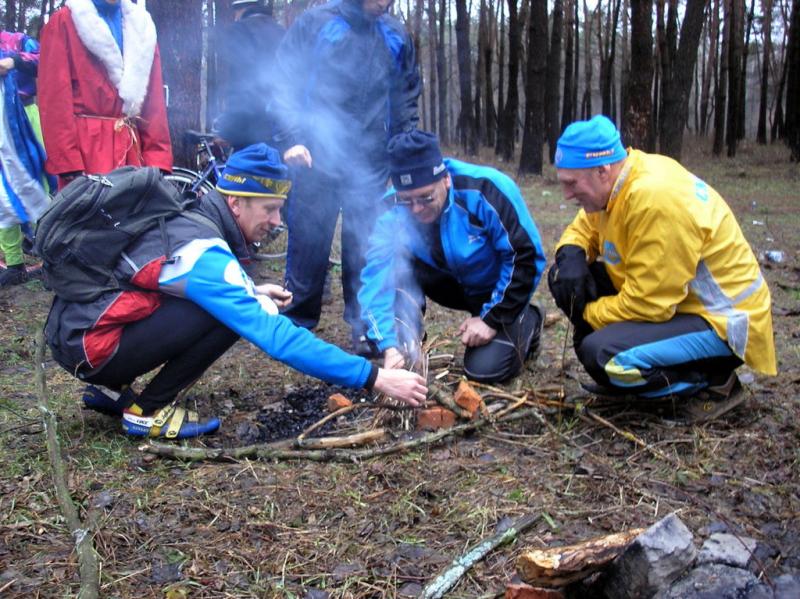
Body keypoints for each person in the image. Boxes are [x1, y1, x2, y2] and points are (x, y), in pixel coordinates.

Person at [44, 144, 427, 439]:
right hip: (93, 348)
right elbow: (277, 338)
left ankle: (114, 392)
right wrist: (374, 377)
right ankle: (148, 412)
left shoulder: (191, 216)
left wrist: (251, 288)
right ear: (235, 202)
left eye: (280, 210)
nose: (277, 222)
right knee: (230, 316)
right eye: (269, 210)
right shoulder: (204, 251)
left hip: (77, 333)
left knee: (238, 303)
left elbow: (157, 280)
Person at [548, 115, 777, 407]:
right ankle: (644, 371)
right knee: (563, 279)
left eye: (571, 184)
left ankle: (711, 383)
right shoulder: (621, 180)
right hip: (679, 302)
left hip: (721, 322)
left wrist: (588, 314)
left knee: (603, 354)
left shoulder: (654, 199)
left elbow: (648, 305)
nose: (567, 195)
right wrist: (570, 253)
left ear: (602, 170)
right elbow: (585, 225)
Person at [273, 0, 421, 356]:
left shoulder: (396, 35)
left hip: (371, 164)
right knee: (309, 245)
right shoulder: (318, 23)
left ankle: (368, 328)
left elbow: (406, 101)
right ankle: (297, 326)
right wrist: (291, 138)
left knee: (366, 250)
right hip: (315, 159)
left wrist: (402, 155)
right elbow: (284, 81)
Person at [358, 130, 547, 383]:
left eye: (426, 198)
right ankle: (408, 344)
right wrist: (390, 346)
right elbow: (376, 283)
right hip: (446, 284)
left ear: (445, 179)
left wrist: (491, 319)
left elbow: (526, 257)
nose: (416, 209)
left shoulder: (487, 190)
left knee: (484, 370)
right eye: (407, 200)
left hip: (492, 287)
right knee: (398, 266)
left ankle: (529, 318)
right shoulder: (389, 210)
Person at [38, 0, 172, 189]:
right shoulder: (65, 22)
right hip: (86, 154)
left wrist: (158, 158)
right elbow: (54, 99)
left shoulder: (142, 28)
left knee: (133, 216)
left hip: (133, 155)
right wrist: (68, 162)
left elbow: (154, 103)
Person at [0, 30, 50, 287]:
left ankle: (53, 256)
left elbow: (45, 61)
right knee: (1, 195)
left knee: (36, 185)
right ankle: (14, 263)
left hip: (25, 119)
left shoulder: (17, 40)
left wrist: (14, 61)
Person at [214, 0, 286, 150]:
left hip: (249, 131)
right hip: (280, 129)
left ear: (240, 9)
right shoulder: (282, 32)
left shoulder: (239, 30)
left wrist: (227, 130)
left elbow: (240, 84)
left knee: (242, 172)